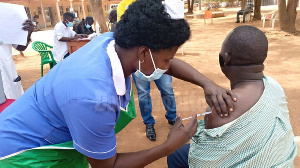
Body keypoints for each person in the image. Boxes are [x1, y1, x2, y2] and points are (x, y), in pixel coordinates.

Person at [0, 0, 236, 167]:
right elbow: (107, 166)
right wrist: (168, 147)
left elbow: (164, 61)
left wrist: (207, 83)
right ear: (144, 53)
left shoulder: (116, 41)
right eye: (166, 59)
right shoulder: (92, 98)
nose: (168, 66)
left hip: (55, 137)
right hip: (22, 156)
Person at [167, 26, 297, 168]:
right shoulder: (273, 85)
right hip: (279, 161)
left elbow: (200, 162)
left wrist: (207, 119)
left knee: (176, 153)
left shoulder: (222, 108)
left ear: (226, 58)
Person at [117, 0, 182, 141]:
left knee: (167, 89)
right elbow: (124, 31)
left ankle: (172, 117)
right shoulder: (125, 5)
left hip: (159, 55)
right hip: (140, 58)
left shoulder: (160, 3)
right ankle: (149, 123)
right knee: (143, 93)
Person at [0, 20, 33, 99]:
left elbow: (20, 47)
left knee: (12, 102)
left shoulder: (5, 23)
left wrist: (28, 34)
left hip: (8, 74)